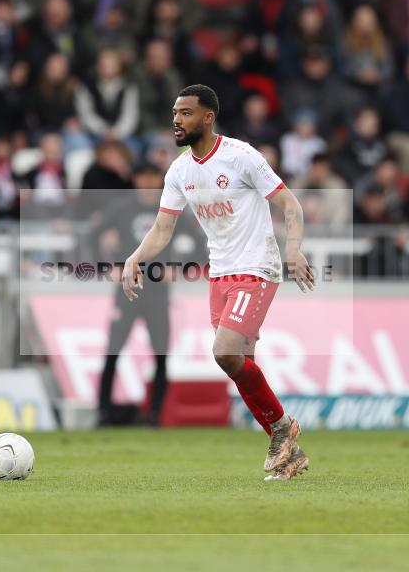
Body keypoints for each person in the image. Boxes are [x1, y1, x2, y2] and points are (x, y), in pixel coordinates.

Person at [122, 85, 312, 481]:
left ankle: (281, 428)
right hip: (220, 274)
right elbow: (162, 228)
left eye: (186, 113)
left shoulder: (241, 157)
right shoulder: (179, 171)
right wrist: (136, 257)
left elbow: (290, 204)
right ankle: (289, 454)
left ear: (207, 117)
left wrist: (293, 250)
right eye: (175, 112)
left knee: (224, 352)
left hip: (257, 267)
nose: (176, 119)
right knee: (241, 364)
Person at [97, 164, 173, 427]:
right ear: (136, 178)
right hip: (127, 288)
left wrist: (178, 268)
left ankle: (155, 415)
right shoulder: (121, 207)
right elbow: (91, 234)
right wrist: (106, 264)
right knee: (113, 349)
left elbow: (199, 243)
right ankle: (104, 412)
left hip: (157, 291)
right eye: (143, 176)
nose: (148, 182)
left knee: (161, 353)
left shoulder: (170, 206)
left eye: (152, 177)